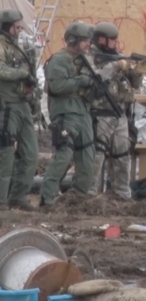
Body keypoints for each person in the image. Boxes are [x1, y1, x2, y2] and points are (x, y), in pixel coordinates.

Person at [87, 22, 146, 199]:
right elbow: (94, 78)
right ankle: (88, 195)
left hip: (120, 113)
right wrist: (116, 66)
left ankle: (121, 194)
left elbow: (134, 84)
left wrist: (137, 73)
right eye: (112, 40)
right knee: (97, 154)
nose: (116, 43)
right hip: (100, 113)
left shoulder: (118, 57)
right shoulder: (90, 56)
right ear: (102, 39)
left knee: (122, 154)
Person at [40, 22, 96, 208]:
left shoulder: (86, 60)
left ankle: (77, 199)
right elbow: (57, 86)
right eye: (85, 40)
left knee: (88, 158)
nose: (89, 44)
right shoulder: (58, 60)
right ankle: (47, 198)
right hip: (65, 114)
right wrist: (82, 81)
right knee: (63, 156)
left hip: (83, 113)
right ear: (73, 40)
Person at [0, 9, 39, 212]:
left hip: (22, 103)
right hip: (6, 105)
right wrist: (22, 74)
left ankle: (19, 195)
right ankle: (1, 199)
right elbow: (1, 70)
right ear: (7, 27)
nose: (19, 30)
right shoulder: (1, 46)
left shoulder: (17, 47)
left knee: (31, 152)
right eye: (16, 27)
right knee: (5, 152)